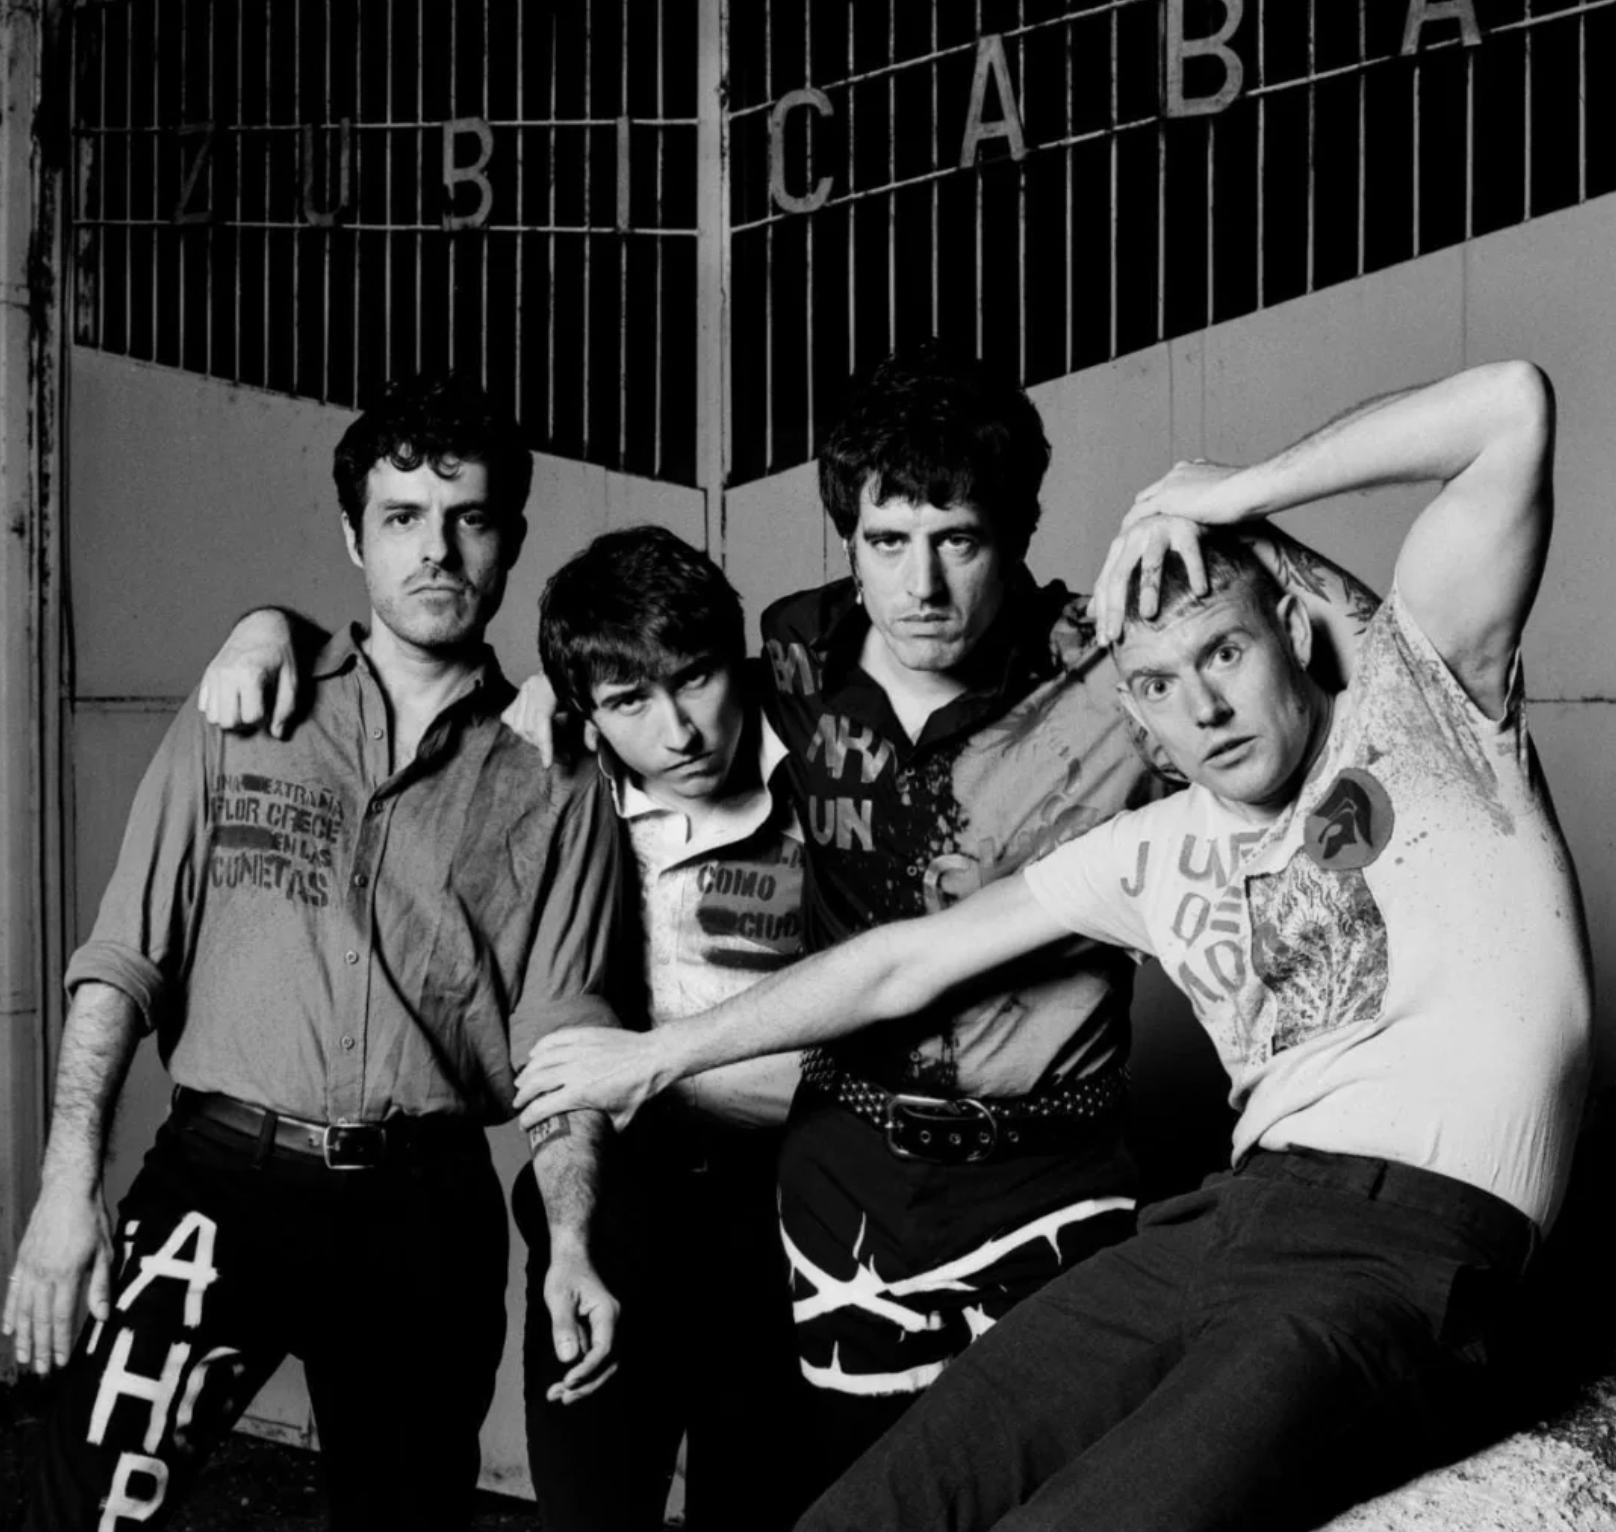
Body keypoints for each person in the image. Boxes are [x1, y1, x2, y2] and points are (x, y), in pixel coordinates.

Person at [202, 347, 1372, 1499]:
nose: (920, 585)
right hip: (837, 1188)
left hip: (1047, 1178)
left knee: (1044, 1492)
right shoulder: (792, 656)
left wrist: (1245, 514)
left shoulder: (1114, 667)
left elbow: (1353, 718)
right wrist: (281, 627)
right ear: (847, 539)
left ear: (1017, 530)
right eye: (886, 541)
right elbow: (627, 663)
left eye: (958, 539)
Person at [518, 359, 1591, 1531]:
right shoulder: (1141, 847)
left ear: (1289, 628)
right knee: (873, 1507)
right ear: (1129, 712)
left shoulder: (1421, 714)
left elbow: (1506, 410)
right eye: (1156, 684)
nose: (1201, 707)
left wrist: (1232, 493)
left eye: (1223, 654)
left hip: (1398, 1243)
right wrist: (654, 1053)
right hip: (1217, 1214)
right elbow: (898, 961)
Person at [1, 375, 627, 1532]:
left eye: (469, 518)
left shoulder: (556, 772)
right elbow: (124, 956)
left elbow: (563, 1037)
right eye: (401, 518)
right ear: (352, 536)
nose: (435, 550)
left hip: (423, 1208)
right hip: (218, 1181)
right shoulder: (242, 706)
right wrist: (64, 1188)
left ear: (510, 537)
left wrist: (573, 1240)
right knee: (82, 1509)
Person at [515, 525, 811, 1531]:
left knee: (761, 1508)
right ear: (586, 712)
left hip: (785, 1201)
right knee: (589, 1507)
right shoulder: (565, 781)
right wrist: (265, 629)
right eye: (631, 701)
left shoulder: (824, 755)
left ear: (739, 659)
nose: (679, 730)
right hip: (623, 1193)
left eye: (695, 678)